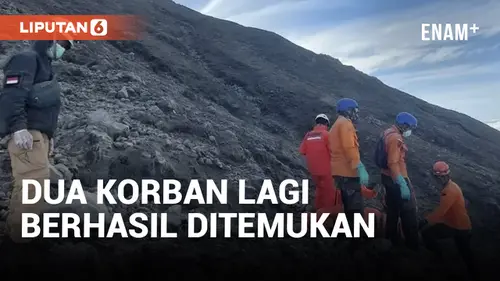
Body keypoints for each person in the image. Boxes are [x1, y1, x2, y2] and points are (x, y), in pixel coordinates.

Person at [0, 39, 73, 245]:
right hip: (27, 134)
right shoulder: (27, 59)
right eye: (63, 43)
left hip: (38, 135)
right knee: (33, 183)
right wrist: (19, 127)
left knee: (31, 184)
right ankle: (21, 242)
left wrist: (49, 138)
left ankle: (18, 233)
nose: (63, 49)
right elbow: (12, 95)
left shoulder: (44, 64)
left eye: (67, 47)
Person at [419, 161, 475, 275]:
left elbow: (441, 212)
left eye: (438, 177)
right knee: (465, 254)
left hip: (458, 227)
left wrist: (426, 221)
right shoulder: (451, 186)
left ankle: (439, 259)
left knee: (427, 234)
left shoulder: (449, 191)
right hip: (459, 225)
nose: (437, 180)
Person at [377, 112, 419, 249]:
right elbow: (393, 163)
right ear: (404, 125)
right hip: (396, 178)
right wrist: (401, 183)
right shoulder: (395, 138)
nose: (410, 130)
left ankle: (391, 238)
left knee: (393, 210)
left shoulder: (387, 132)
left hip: (386, 177)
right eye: (410, 127)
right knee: (409, 212)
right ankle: (412, 244)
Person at [329, 98, 369, 236]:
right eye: (354, 111)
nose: (355, 114)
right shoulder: (345, 124)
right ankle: (358, 240)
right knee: (355, 208)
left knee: (349, 207)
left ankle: (351, 237)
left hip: (340, 172)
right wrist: (359, 166)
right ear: (348, 110)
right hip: (348, 172)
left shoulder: (336, 124)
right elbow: (349, 147)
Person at [299, 114, 338, 213]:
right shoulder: (327, 135)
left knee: (319, 189)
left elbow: (302, 151)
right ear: (326, 124)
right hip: (327, 170)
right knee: (329, 192)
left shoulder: (308, 135)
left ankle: (318, 209)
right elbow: (334, 152)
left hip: (313, 171)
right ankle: (326, 215)